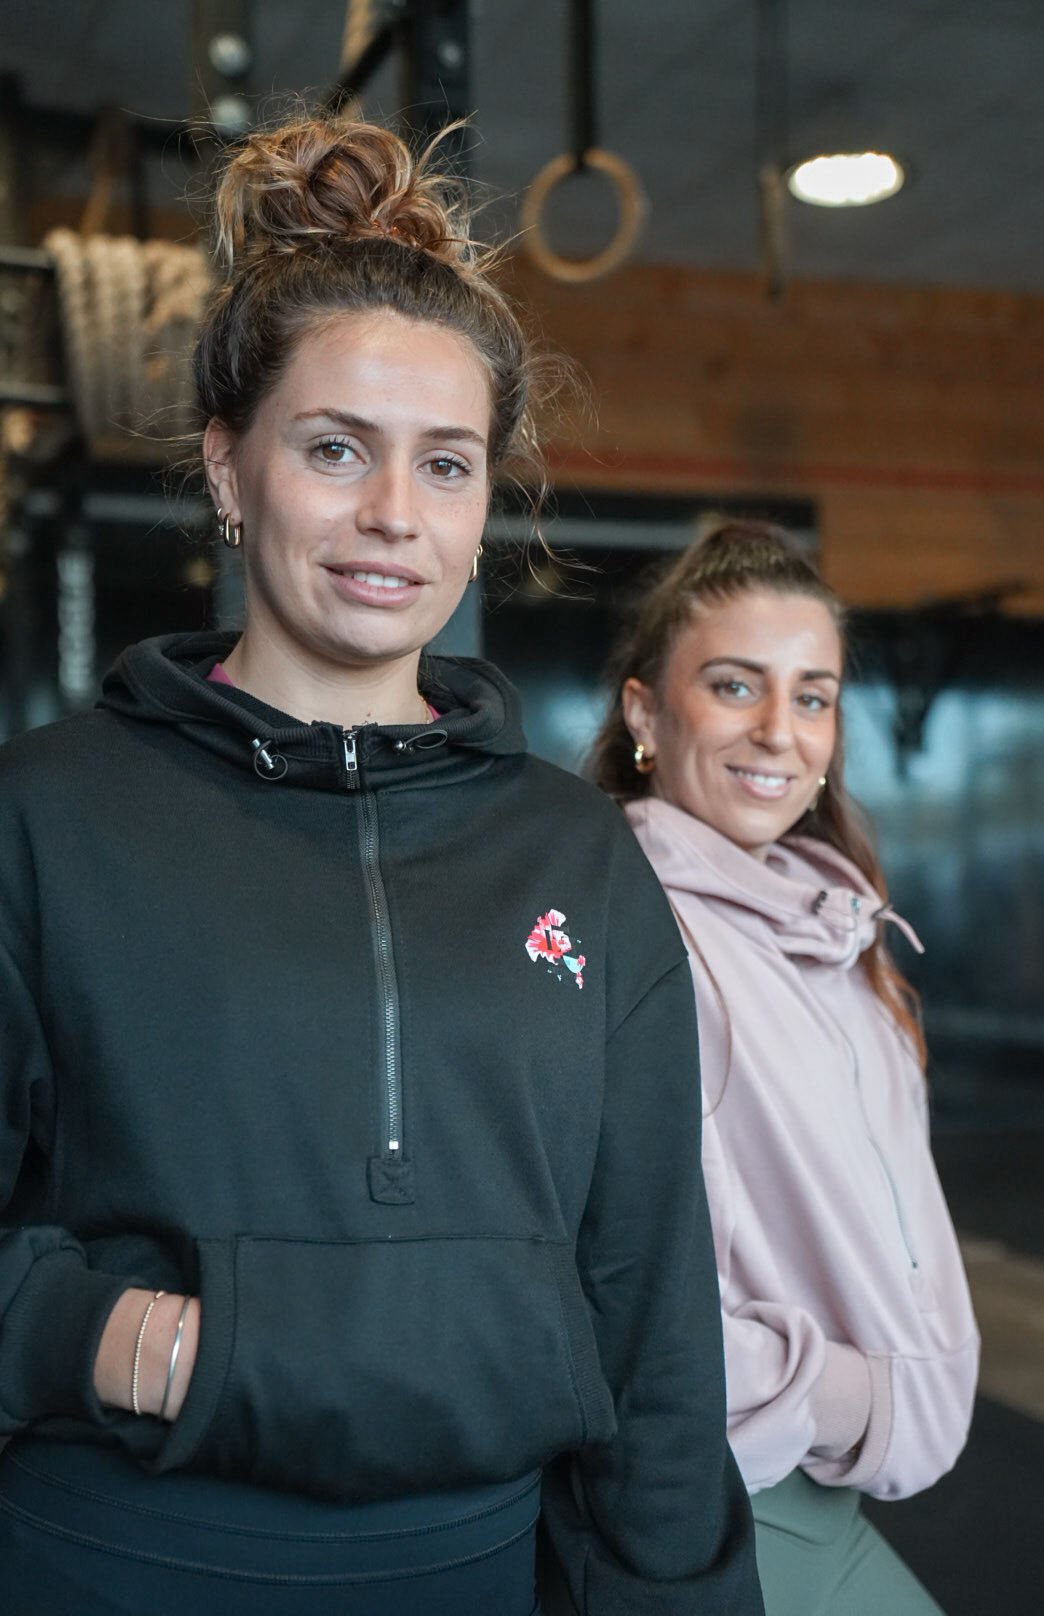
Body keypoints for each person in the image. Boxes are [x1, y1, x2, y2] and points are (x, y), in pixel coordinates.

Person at [0, 119, 763, 1615]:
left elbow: (652, 1311)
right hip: (119, 1557)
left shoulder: (577, 856)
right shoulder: (43, 818)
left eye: (447, 464)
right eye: (335, 448)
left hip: (470, 1566)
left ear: (485, 506)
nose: (393, 516)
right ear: (228, 467)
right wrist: (139, 1344)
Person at [589, 521, 980, 1616]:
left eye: (813, 696)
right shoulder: (637, 934)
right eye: (734, 685)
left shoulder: (831, 923)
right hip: (736, 1494)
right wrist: (840, 1393)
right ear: (644, 716)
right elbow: (595, 1271)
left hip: (828, 1496)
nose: (778, 730)